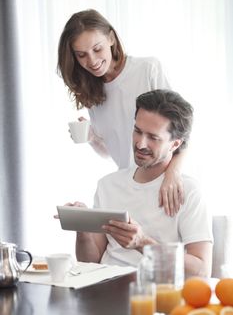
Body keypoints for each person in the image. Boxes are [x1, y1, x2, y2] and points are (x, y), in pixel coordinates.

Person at [72, 89, 213, 278]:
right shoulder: (108, 185)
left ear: (175, 144)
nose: (140, 144)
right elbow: (90, 261)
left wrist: (142, 243)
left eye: (153, 138)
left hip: (155, 296)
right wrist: (83, 228)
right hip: (103, 289)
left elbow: (202, 269)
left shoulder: (188, 191)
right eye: (137, 131)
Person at [57, 9, 185, 216]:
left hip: (163, 187)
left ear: (111, 38)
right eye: (81, 55)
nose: (91, 61)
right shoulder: (93, 93)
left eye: (97, 49)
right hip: (128, 190)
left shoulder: (147, 69)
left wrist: (173, 175)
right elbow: (112, 152)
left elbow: (182, 132)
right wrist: (91, 137)